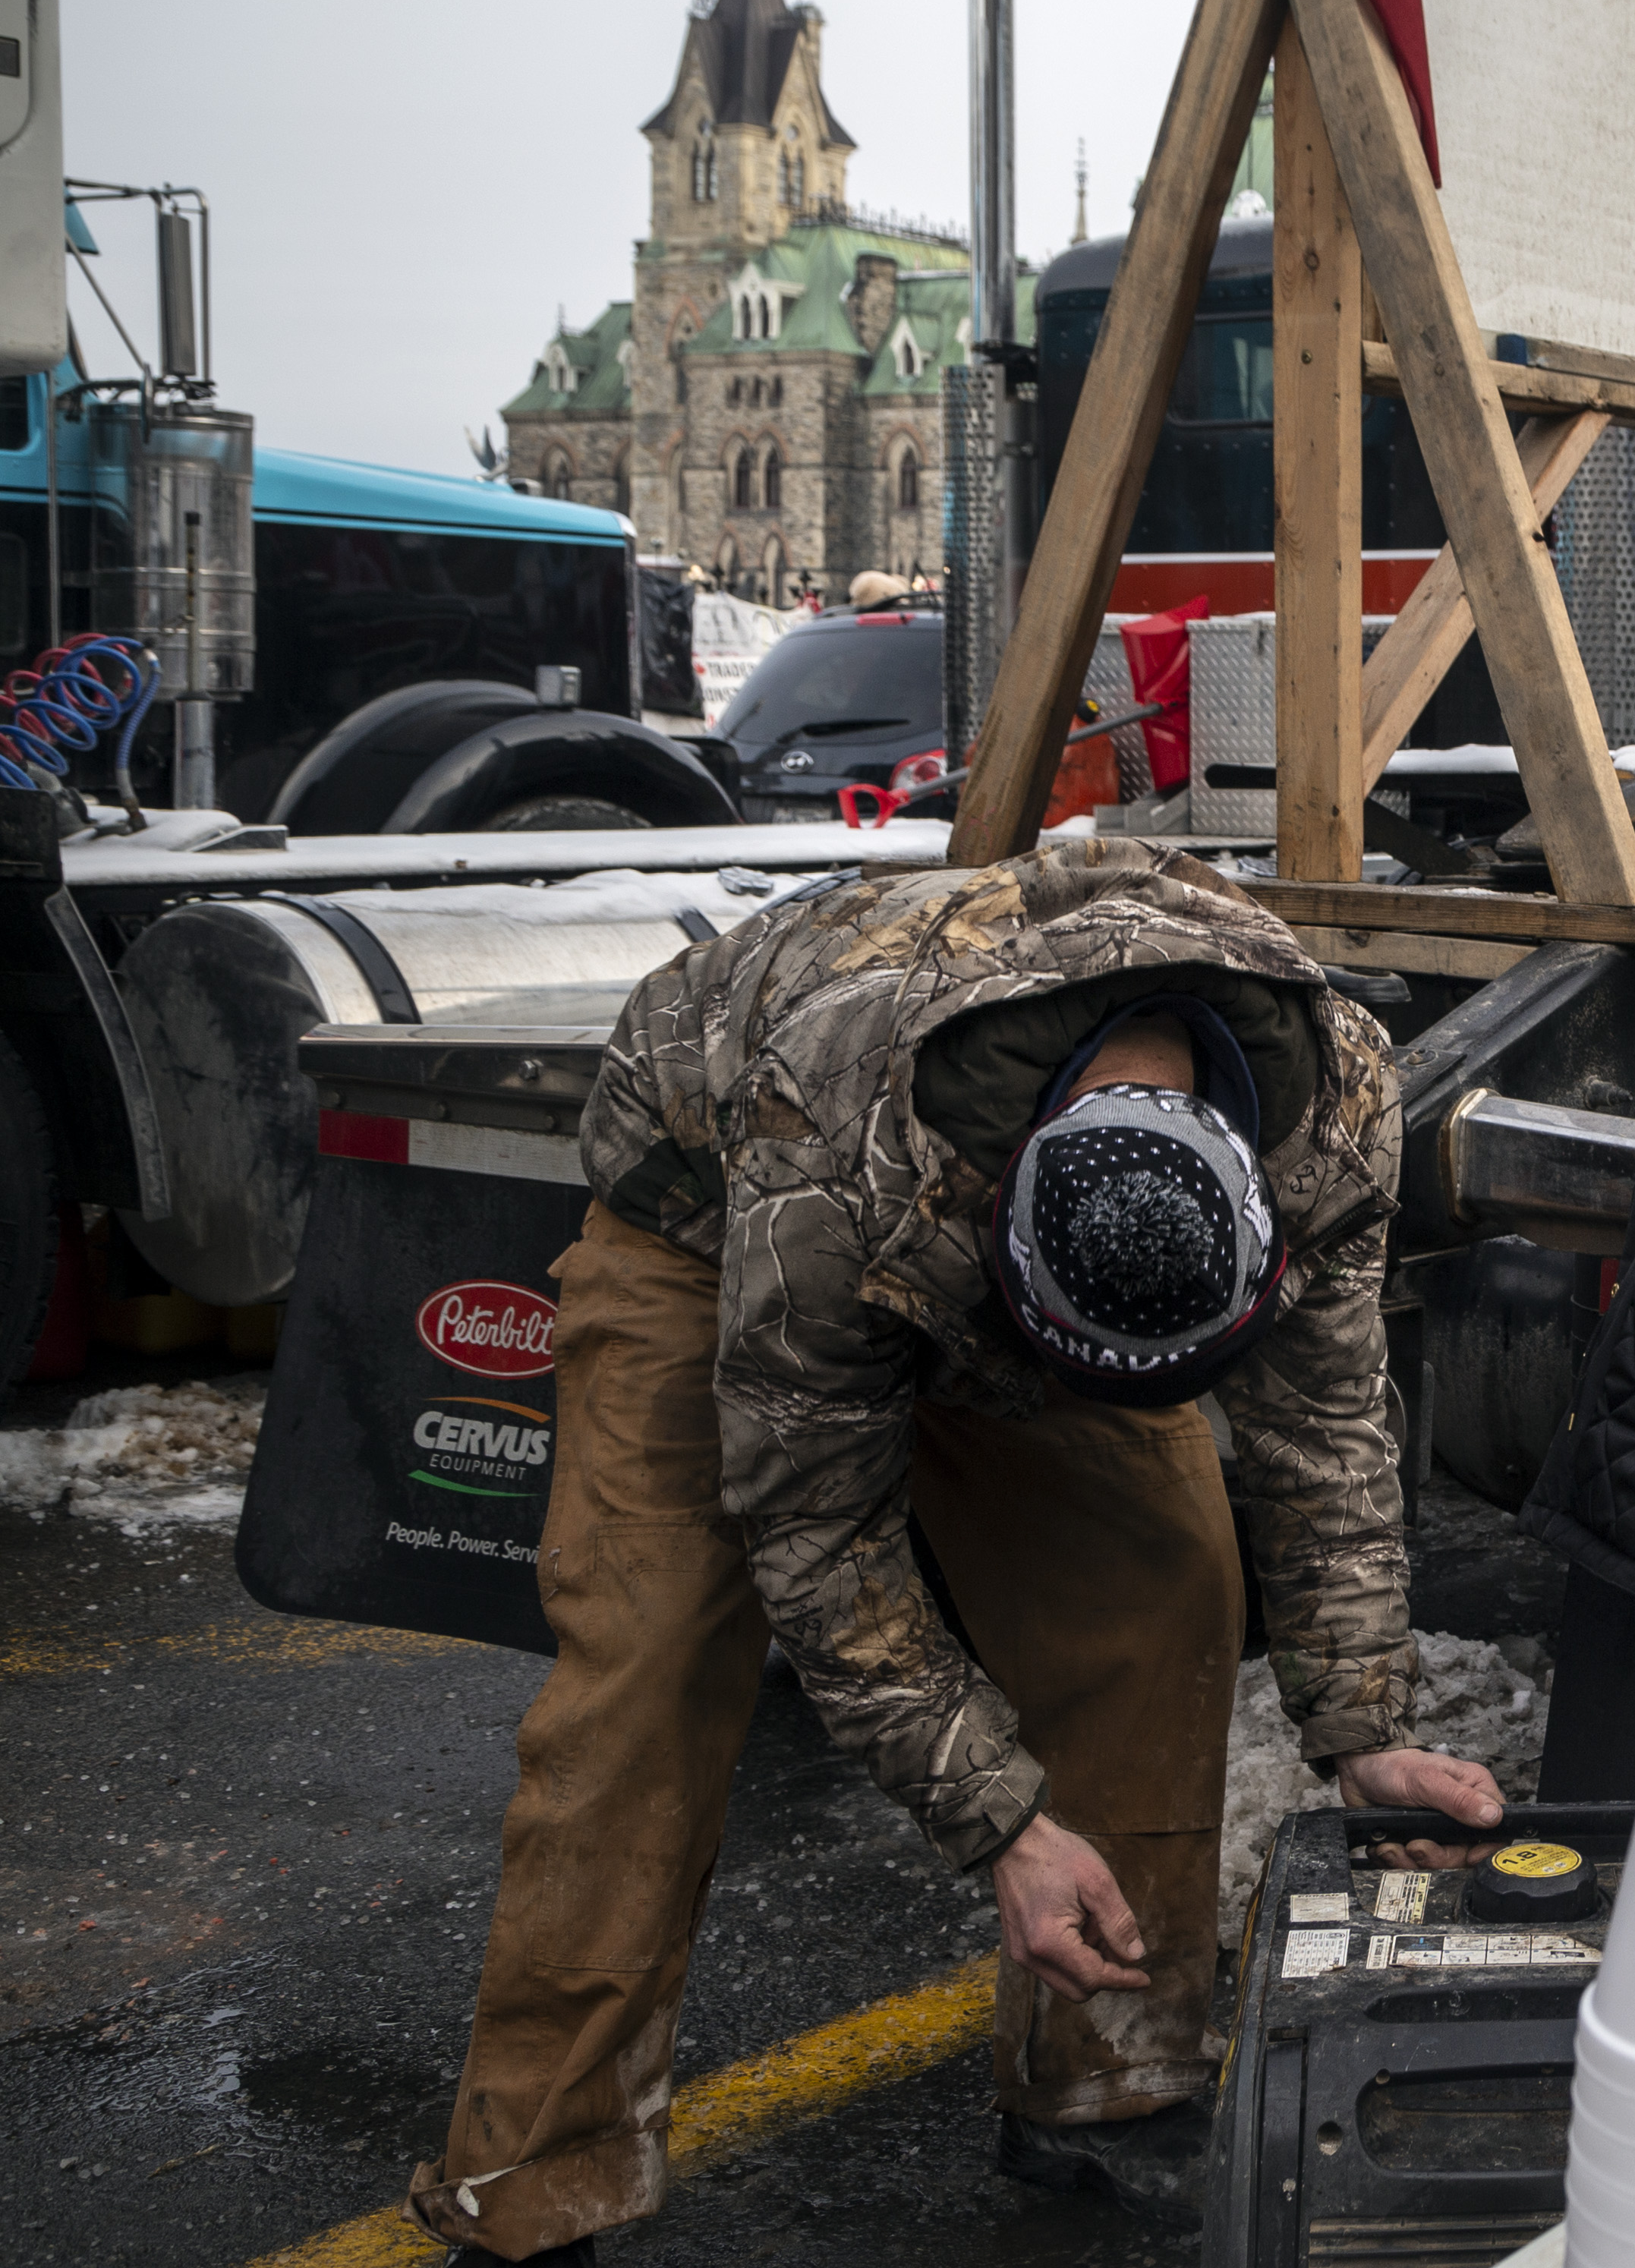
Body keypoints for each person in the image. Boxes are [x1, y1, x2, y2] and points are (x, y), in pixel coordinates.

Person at [408, 841, 1501, 2262]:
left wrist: (1361, 1724)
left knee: (1163, 1581)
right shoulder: (832, 1147)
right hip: (717, 1207)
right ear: (1009, 1249)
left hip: (959, 1199)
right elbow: (817, 1533)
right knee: (646, 1680)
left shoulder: (1334, 1111)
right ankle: (538, 2177)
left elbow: (1326, 1425)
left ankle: (1102, 2077)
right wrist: (1002, 1822)